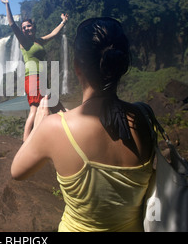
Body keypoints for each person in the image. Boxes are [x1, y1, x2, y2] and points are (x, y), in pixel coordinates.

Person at [11, 17, 155, 232]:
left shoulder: (55, 127)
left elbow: (17, 172)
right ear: (122, 65)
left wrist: (41, 126)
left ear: (77, 66)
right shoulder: (145, 115)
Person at [0, 0, 67, 141]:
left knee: (56, 106)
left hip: (42, 79)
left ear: (34, 27)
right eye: (24, 28)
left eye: (28, 26)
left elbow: (54, 34)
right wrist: (7, 5)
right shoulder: (24, 41)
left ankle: (64, 135)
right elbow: (12, 24)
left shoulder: (39, 41)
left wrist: (63, 22)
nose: (26, 29)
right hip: (33, 78)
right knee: (35, 109)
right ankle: (26, 141)